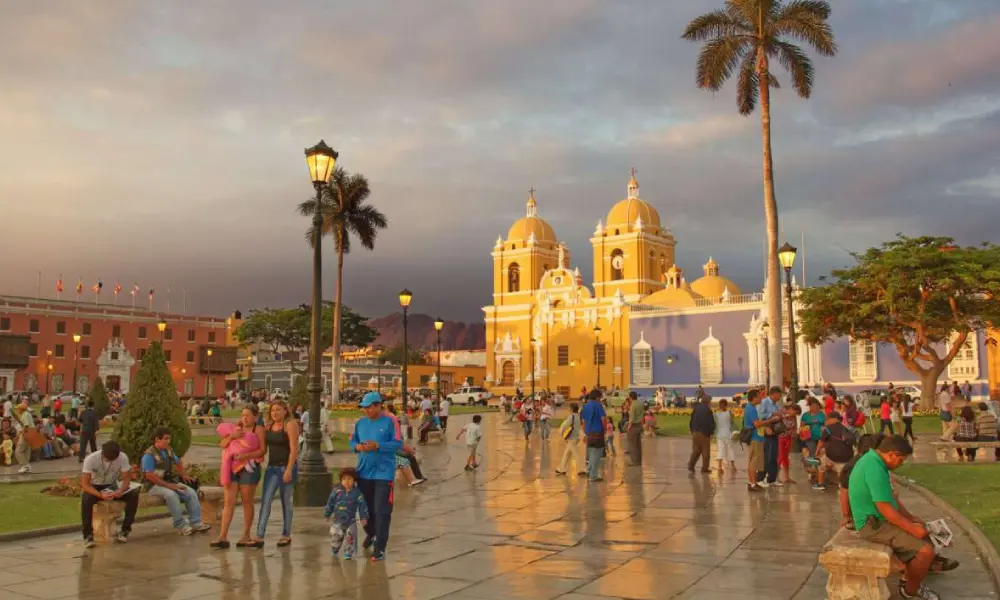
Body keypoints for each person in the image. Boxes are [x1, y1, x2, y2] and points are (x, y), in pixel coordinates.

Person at [849, 435, 943, 600]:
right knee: (925, 551)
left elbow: (891, 500)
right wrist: (912, 528)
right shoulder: (874, 468)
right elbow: (885, 508)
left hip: (878, 520)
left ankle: (913, 575)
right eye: (901, 460)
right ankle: (910, 591)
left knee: (924, 534)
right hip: (872, 525)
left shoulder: (874, 461)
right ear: (892, 454)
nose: (901, 464)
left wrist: (912, 518)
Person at [350, 392, 402, 562]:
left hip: (383, 473)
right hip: (364, 472)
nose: (367, 410)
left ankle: (380, 546)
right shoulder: (360, 423)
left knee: (381, 510)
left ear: (379, 405)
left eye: (370, 407)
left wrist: (378, 445)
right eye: (364, 407)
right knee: (365, 510)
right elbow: (352, 443)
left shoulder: (390, 422)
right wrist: (358, 447)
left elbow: (398, 444)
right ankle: (372, 533)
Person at [211, 405, 265, 549]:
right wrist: (231, 436)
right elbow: (222, 444)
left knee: (247, 500)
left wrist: (246, 455)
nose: (244, 418)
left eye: (248, 415)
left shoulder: (258, 429)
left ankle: (246, 535)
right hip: (232, 468)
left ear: (255, 417)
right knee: (229, 501)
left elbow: (262, 450)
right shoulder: (236, 428)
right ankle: (222, 536)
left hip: (249, 468)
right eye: (242, 415)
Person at [141, 427, 212, 536]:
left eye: (169, 438)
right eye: (166, 438)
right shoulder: (149, 455)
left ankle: (196, 522)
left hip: (170, 482)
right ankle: (181, 525)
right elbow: (149, 476)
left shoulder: (169, 450)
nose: (168, 441)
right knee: (171, 495)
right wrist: (169, 486)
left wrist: (185, 476)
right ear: (157, 439)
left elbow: (178, 462)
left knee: (191, 492)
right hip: (154, 485)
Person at [250, 400, 299, 547]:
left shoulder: (290, 425)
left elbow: (294, 449)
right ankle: (259, 535)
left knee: (286, 502)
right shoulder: (269, 426)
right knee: (266, 501)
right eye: (272, 410)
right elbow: (263, 447)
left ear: (285, 411)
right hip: (271, 468)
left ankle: (286, 534)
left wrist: (289, 469)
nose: (275, 413)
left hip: (286, 467)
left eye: (278, 410)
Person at [80, 440, 139, 547]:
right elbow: (85, 484)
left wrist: (120, 491)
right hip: (95, 486)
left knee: (133, 494)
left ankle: (125, 529)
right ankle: (88, 535)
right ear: (102, 453)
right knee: (86, 500)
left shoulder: (122, 457)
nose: (109, 461)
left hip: (112, 485)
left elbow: (126, 479)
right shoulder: (91, 459)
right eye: (107, 459)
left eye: (113, 459)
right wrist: (100, 495)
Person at [324, 467, 369, 560]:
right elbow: (330, 503)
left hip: (351, 521)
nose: (347, 481)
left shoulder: (357, 493)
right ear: (341, 480)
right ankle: (335, 548)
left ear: (354, 480)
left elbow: (362, 506)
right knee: (336, 536)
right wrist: (327, 513)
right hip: (337, 520)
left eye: (349, 479)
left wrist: (363, 517)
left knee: (350, 538)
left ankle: (348, 552)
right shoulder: (336, 492)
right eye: (344, 479)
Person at [815, 411, 855, 491]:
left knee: (820, 463)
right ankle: (842, 485)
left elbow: (821, 442)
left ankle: (820, 484)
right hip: (847, 458)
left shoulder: (828, 428)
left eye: (827, 419)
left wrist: (816, 453)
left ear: (832, 419)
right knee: (842, 473)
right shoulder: (845, 428)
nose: (826, 421)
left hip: (832, 457)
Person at [580, 390, 608, 482]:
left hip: (589, 433)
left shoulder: (585, 406)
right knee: (597, 454)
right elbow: (603, 419)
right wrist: (605, 429)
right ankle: (593, 475)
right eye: (600, 398)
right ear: (597, 397)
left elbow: (583, 421)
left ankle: (589, 470)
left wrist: (585, 432)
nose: (600, 399)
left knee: (592, 453)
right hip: (598, 432)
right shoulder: (598, 405)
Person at [758, 387, 783, 487]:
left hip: (775, 432)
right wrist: (772, 414)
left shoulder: (775, 404)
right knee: (766, 456)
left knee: (774, 456)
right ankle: (760, 478)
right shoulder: (764, 403)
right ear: (775, 394)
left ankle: (772, 479)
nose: (780, 397)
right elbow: (760, 415)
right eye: (780, 394)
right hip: (767, 431)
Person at [743, 389, 766, 492]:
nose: (761, 398)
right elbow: (756, 424)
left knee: (753, 460)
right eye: (759, 396)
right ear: (754, 398)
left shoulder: (750, 407)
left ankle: (752, 482)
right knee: (754, 461)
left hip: (755, 437)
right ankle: (752, 483)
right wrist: (769, 421)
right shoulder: (751, 409)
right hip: (754, 438)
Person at [555, 403, 585, 476]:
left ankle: (582, 469)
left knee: (576, 454)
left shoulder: (571, 417)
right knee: (566, 454)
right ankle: (562, 469)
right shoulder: (578, 416)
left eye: (569, 408)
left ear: (571, 409)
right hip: (576, 437)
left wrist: (561, 433)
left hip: (572, 438)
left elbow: (565, 425)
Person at [688, 395, 715, 473]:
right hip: (704, 433)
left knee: (696, 450)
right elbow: (710, 422)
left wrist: (692, 430)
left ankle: (690, 465)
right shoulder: (708, 410)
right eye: (710, 401)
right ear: (708, 402)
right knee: (706, 452)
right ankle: (705, 468)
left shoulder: (696, 408)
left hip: (695, 432)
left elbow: (691, 420)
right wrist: (711, 432)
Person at [713, 399, 736, 473]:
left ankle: (720, 467)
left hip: (719, 434)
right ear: (726, 405)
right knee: (730, 449)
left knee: (720, 449)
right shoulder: (729, 413)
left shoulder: (716, 413)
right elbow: (732, 422)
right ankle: (733, 466)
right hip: (728, 433)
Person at [13, 401, 36, 474]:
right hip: (31, 432)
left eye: (18, 409)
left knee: (18, 451)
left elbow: (26, 425)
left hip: (27, 433)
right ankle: (26, 467)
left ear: (21, 409)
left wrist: (22, 434)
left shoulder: (25, 415)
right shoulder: (27, 414)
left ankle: (25, 466)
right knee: (26, 450)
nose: (17, 410)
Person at [626, 392, 644, 466]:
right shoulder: (640, 403)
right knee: (638, 444)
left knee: (632, 444)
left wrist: (629, 426)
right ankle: (639, 461)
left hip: (633, 425)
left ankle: (634, 461)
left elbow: (632, 417)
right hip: (639, 425)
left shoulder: (633, 405)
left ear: (630, 397)